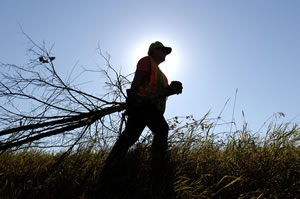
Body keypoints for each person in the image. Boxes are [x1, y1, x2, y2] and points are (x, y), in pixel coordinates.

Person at [99, 41, 183, 198]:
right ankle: (158, 167)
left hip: (150, 107)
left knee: (129, 137)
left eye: (166, 51)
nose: (165, 53)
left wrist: (172, 89)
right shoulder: (146, 61)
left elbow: (159, 92)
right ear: (153, 51)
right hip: (142, 104)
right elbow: (137, 82)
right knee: (161, 129)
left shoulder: (162, 74)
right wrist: (132, 99)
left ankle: (110, 168)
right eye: (163, 50)